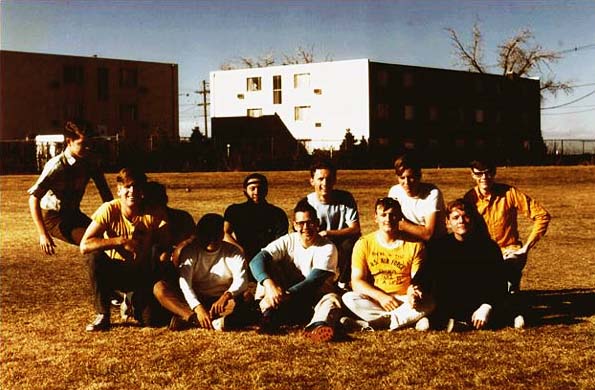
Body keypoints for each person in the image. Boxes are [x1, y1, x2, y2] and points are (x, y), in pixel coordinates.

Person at [79, 167, 169, 332]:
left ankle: (130, 302)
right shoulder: (109, 209)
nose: (132, 191)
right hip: (115, 271)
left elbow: (164, 244)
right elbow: (85, 245)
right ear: (119, 190)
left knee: (152, 320)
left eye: (137, 187)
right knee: (94, 257)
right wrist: (120, 241)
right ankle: (103, 314)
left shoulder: (154, 212)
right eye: (127, 187)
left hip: (141, 273)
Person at [249, 200, 341, 342]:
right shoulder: (287, 240)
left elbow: (314, 281)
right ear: (294, 224)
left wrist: (287, 294)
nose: (305, 228)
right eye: (300, 223)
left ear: (317, 223)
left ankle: (317, 326)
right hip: (283, 297)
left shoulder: (327, 247)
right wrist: (269, 284)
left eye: (310, 223)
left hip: (312, 298)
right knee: (267, 264)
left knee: (331, 299)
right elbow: (256, 261)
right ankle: (266, 315)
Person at [415, 199, 508, 331]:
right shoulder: (438, 247)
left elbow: (499, 283)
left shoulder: (488, 247)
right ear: (448, 222)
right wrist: (415, 287)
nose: (461, 221)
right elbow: (424, 275)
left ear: (473, 219)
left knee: (500, 309)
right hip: (447, 304)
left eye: (466, 216)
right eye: (456, 217)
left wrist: (487, 306)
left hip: (478, 304)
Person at [342, 197, 433, 331]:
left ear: (400, 217)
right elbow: (357, 282)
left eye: (393, 215)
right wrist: (381, 297)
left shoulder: (415, 245)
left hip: (404, 300)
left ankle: (375, 323)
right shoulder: (364, 243)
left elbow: (417, 279)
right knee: (349, 298)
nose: (388, 219)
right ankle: (408, 321)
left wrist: (414, 293)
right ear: (376, 218)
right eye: (383, 215)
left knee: (430, 302)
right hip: (377, 300)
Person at [463, 159, 551, 295]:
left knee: (507, 276)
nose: (484, 178)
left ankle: (512, 290)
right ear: (472, 174)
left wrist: (525, 248)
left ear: (495, 172)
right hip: (483, 252)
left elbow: (542, 215)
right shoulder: (469, 198)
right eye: (479, 174)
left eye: (488, 173)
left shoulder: (510, 193)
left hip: (509, 251)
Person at [153, 213, 252, 331]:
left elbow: (241, 280)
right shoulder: (190, 251)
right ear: (199, 235)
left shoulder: (233, 252)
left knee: (246, 298)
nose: (212, 239)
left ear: (222, 234)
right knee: (160, 288)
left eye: (216, 234)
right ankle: (196, 319)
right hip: (195, 299)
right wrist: (198, 307)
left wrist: (226, 296)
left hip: (221, 302)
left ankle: (192, 320)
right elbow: (185, 284)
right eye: (207, 234)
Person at [28, 121, 113, 255]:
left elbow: (105, 193)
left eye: (90, 144)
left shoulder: (90, 163)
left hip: (74, 214)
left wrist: (114, 219)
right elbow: (33, 199)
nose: (88, 148)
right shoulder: (57, 166)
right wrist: (42, 234)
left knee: (108, 239)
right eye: (83, 144)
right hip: (54, 218)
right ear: (69, 141)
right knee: (92, 243)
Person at [299, 159, 360, 289]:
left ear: (335, 180)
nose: (325, 183)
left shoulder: (346, 198)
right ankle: (312, 281)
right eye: (320, 179)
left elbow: (355, 229)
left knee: (351, 244)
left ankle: (343, 282)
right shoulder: (306, 203)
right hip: (316, 242)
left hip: (339, 242)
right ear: (312, 181)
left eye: (329, 178)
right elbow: (300, 231)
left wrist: (328, 233)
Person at [223, 173, 288, 262]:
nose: (257, 192)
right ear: (245, 191)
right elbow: (225, 233)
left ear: (266, 190)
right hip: (241, 257)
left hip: (269, 257)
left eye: (260, 188)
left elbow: (281, 241)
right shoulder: (234, 211)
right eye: (252, 188)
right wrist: (240, 251)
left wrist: (263, 258)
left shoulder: (278, 214)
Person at [388, 153, 446, 241]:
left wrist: (401, 224)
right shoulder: (394, 192)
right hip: (408, 243)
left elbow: (428, 234)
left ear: (419, 176)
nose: (406, 183)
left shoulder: (432, 193)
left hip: (433, 244)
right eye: (402, 178)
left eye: (411, 177)